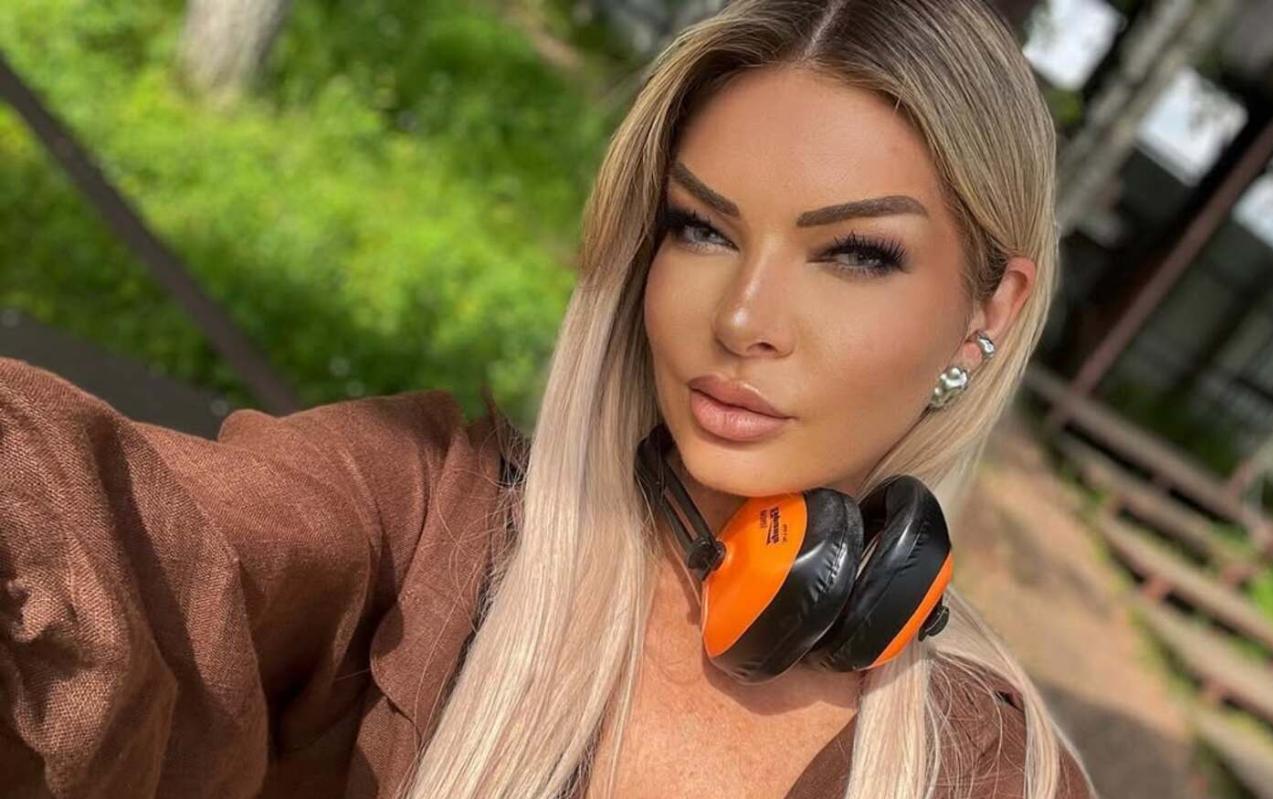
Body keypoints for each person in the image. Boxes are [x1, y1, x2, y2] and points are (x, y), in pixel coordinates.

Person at [1, 0, 1097, 797]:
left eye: (854, 253)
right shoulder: (425, 515)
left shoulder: (998, 775)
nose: (743, 316)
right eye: (701, 229)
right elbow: (122, 537)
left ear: (988, 309)